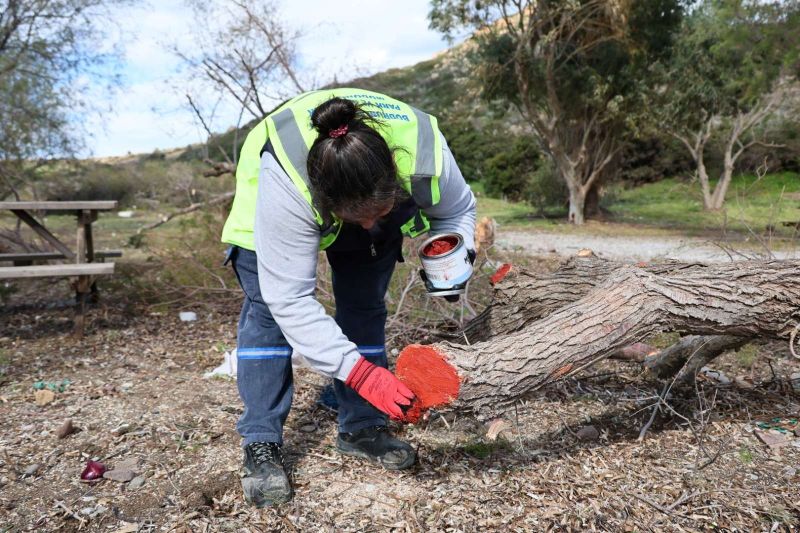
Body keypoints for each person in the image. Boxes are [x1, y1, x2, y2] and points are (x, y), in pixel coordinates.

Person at [221, 88, 476, 506]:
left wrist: (454, 253)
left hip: (363, 184)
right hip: (270, 194)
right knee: (268, 314)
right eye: (358, 217)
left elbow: (458, 208)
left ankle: (362, 427)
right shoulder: (288, 182)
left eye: (380, 211)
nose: (371, 224)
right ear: (327, 204)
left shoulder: (426, 153)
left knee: (364, 307)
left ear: (393, 178)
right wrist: (359, 373)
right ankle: (261, 443)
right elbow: (290, 299)